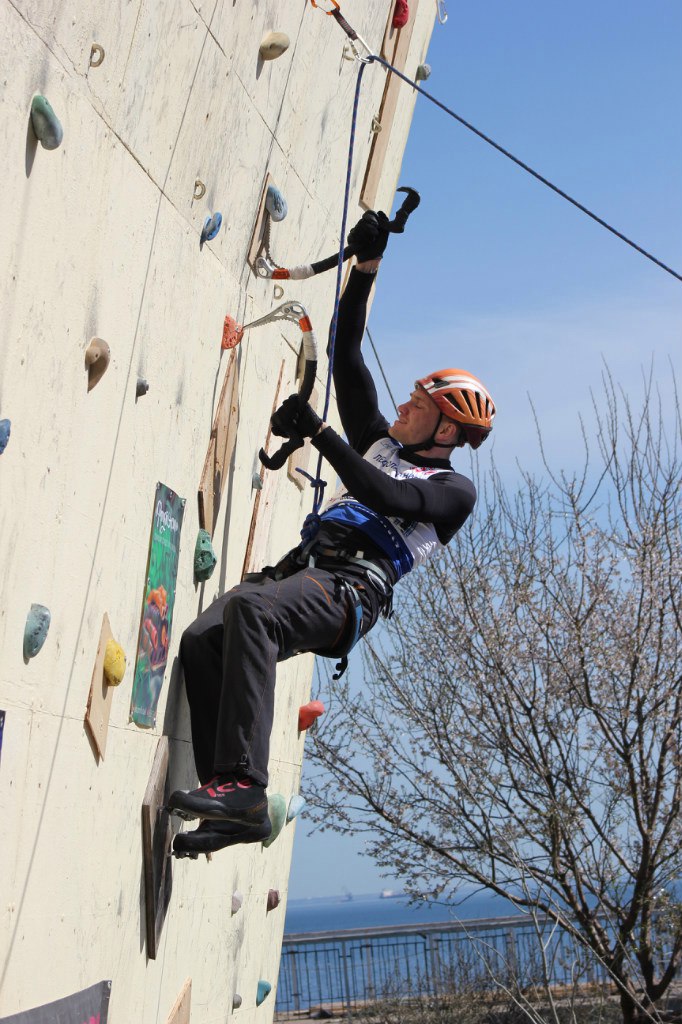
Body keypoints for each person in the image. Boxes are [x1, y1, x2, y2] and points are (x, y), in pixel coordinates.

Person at [168, 212, 496, 857]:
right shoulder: (378, 440)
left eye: (418, 405)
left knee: (254, 613)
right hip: (305, 572)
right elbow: (346, 353)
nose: (402, 406)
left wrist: (321, 434)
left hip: (349, 592)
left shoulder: (455, 493)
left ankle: (243, 783)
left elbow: (391, 496)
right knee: (204, 639)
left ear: (448, 430)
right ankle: (233, 803)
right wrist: (365, 271)